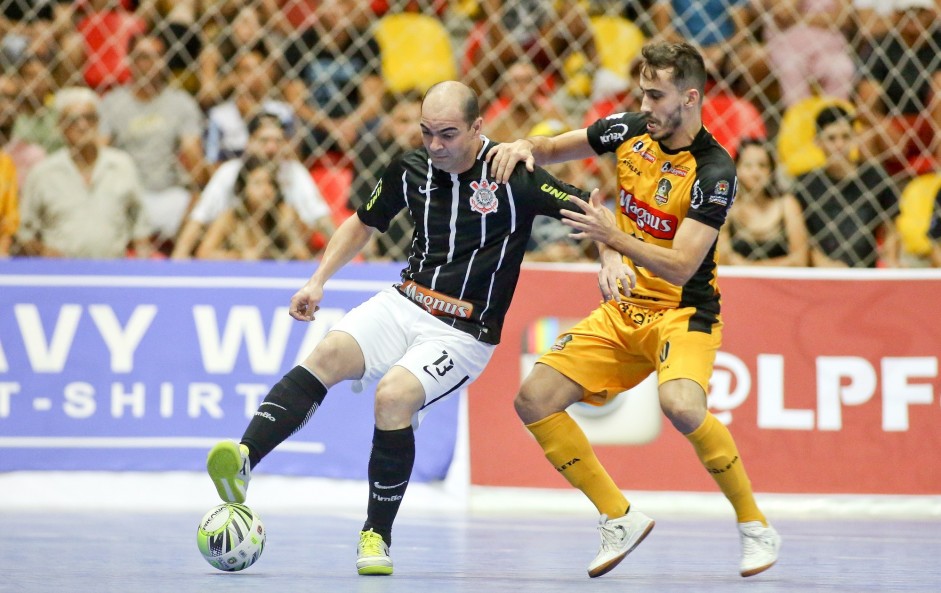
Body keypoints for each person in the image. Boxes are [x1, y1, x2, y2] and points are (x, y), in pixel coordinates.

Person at [204, 80, 589, 576]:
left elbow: (588, 212)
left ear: (477, 128)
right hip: (405, 301)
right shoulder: (411, 169)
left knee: (393, 397)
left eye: (448, 134)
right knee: (326, 354)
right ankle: (244, 459)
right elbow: (363, 222)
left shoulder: (514, 176)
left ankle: (376, 535)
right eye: (427, 132)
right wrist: (318, 280)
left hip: (463, 331)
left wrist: (611, 259)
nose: (435, 145)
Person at [486, 41, 781, 578]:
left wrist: (611, 240)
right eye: (640, 90)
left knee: (683, 406)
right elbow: (553, 149)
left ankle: (755, 526)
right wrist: (521, 146)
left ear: (690, 98)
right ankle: (617, 516)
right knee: (533, 399)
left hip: (682, 310)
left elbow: (682, 265)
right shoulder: (629, 129)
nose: (642, 102)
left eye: (654, 93)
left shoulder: (714, 170)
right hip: (624, 309)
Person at [171, 112, 334, 260]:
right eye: (264, 140)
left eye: (278, 141)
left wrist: (340, 254)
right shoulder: (230, 172)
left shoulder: (295, 172)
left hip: (281, 251)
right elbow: (200, 217)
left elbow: (321, 218)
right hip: (236, 247)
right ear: (249, 142)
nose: (271, 148)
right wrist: (178, 259)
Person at [99, 33, 206, 251]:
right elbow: (100, 152)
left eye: (156, 57)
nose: (149, 64)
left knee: (200, 202)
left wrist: (197, 188)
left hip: (168, 194)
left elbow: (194, 156)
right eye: (142, 57)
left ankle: (178, 261)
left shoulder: (181, 102)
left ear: (165, 61)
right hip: (125, 195)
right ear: (130, 60)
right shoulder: (112, 102)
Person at [16, 87, 151, 258]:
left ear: (98, 122)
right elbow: (24, 232)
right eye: (73, 120)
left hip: (112, 271)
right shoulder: (43, 173)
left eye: (89, 118)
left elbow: (140, 227)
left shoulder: (121, 165)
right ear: (60, 125)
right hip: (59, 273)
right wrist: (43, 252)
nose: (82, 125)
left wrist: (141, 269)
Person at [793, 105, 900, 267]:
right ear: (818, 142)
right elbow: (802, 236)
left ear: (855, 138)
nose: (839, 144)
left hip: (866, 272)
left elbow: (891, 229)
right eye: (831, 138)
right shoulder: (806, 184)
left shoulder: (875, 177)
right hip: (819, 273)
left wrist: (890, 260)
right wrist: (822, 263)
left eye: (845, 137)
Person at [195, 155, 312, 261]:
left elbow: (303, 256)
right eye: (258, 183)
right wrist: (239, 256)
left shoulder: (283, 213)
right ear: (243, 188)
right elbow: (204, 253)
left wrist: (288, 231)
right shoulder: (231, 217)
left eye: (270, 183)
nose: (266, 190)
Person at [717, 139, 809, 266]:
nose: (755, 173)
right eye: (748, 165)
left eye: (762, 165)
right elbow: (721, 259)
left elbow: (800, 260)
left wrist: (748, 267)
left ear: (771, 171)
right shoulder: (727, 206)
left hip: (781, 282)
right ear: (736, 169)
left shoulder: (787, 204)